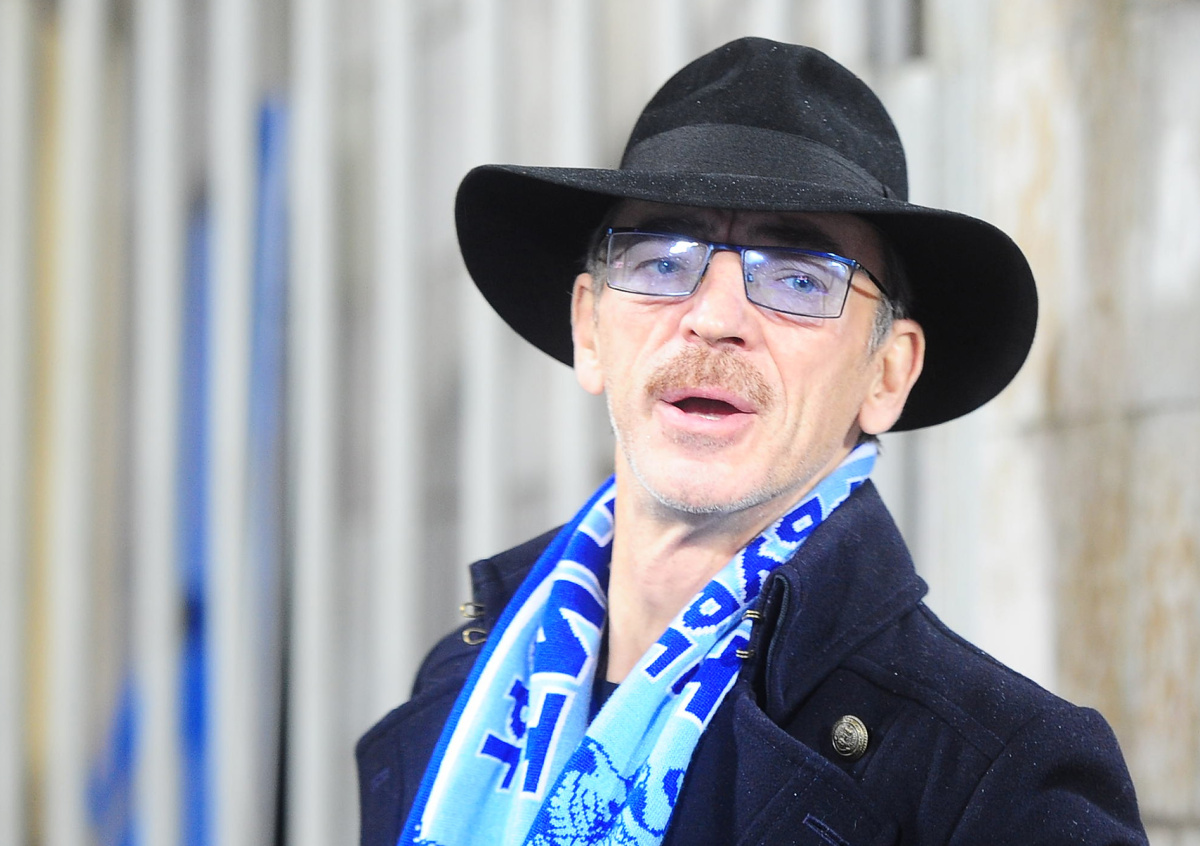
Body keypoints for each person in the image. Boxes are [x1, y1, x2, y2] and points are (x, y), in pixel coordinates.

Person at [357, 38, 1147, 846]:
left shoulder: (995, 778)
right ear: (589, 330)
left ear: (886, 373)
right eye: (661, 262)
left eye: (799, 278)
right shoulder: (464, 682)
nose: (714, 317)